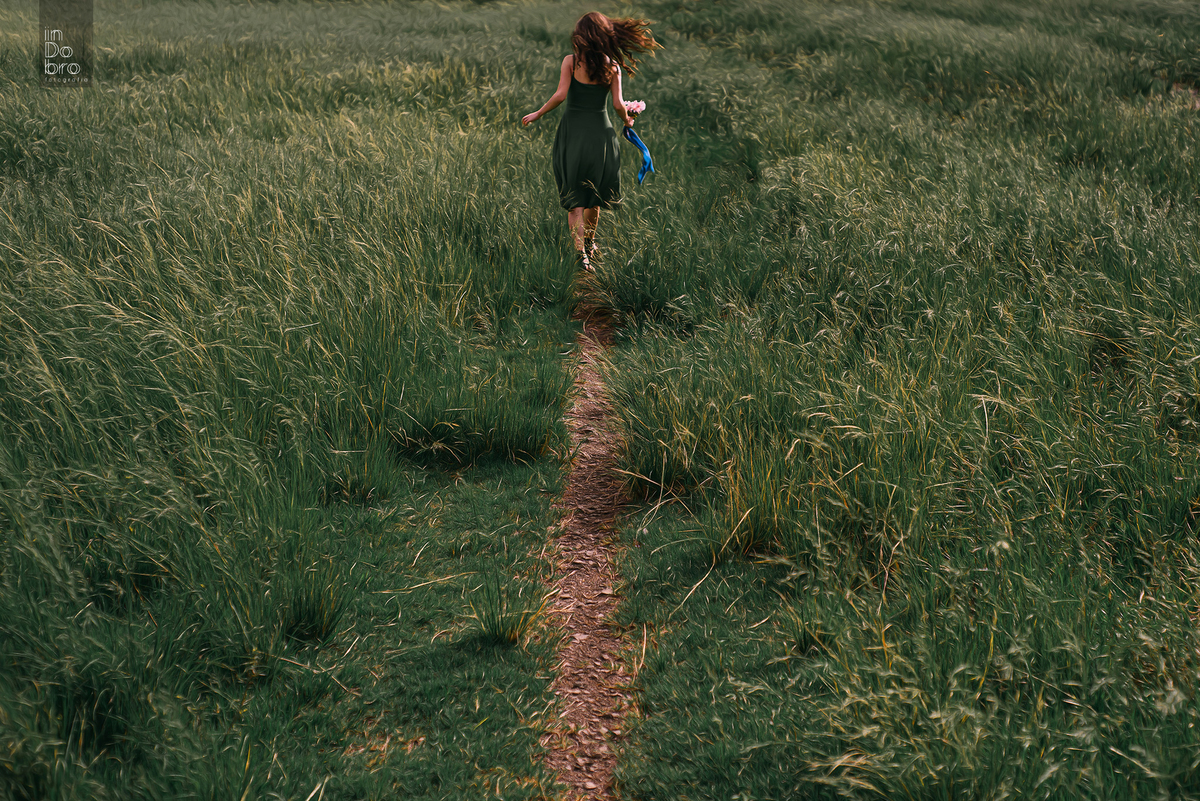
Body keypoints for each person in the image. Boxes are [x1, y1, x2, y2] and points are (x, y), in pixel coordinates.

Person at [522, 12, 660, 268]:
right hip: (601, 136)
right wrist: (627, 120)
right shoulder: (613, 68)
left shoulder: (570, 62)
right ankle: (589, 244)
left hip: (573, 134)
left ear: (582, 36)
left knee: (575, 199)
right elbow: (618, 105)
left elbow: (561, 95)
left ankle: (580, 254)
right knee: (593, 197)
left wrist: (539, 113)